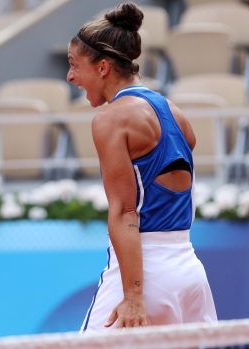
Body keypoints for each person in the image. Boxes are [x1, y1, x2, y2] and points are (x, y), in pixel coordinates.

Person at [66, 2, 217, 331]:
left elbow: (125, 213)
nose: (71, 77)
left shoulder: (111, 119)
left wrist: (133, 295)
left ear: (103, 67)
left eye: (74, 65)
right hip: (189, 271)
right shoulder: (175, 113)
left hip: (147, 274)